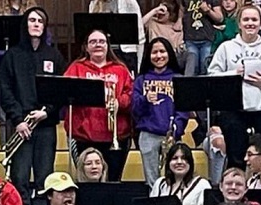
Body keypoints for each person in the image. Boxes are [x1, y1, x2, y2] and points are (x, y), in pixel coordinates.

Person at [0, 7, 66, 205]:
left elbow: (61, 89)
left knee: (44, 175)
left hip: (45, 125)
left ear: (44, 26)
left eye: (40, 21)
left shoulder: (54, 55)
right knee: (19, 175)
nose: (36, 24)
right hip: (22, 126)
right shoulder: (12, 55)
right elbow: (6, 90)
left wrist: (47, 112)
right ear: (25, 24)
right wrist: (18, 120)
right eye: (32, 20)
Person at [208, 4, 261, 170]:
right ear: (239, 23)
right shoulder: (226, 48)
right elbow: (212, 78)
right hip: (234, 110)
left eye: (254, 19)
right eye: (246, 19)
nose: (250, 23)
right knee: (236, 157)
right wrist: (233, 74)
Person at [64, 29, 134, 182]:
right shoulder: (76, 68)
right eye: (93, 42)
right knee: (86, 181)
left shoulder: (121, 69)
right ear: (86, 47)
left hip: (116, 136)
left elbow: (131, 95)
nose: (98, 45)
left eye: (102, 42)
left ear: (108, 46)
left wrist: (119, 102)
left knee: (113, 180)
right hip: (84, 136)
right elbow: (64, 92)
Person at [132, 37, 189, 187]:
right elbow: (135, 110)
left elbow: (183, 108)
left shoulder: (178, 79)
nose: (158, 56)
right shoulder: (141, 80)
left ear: (169, 53)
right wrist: (145, 99)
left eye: (162, 51)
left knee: (174, 176)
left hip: (171, 135)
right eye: (154, 52)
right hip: (148, 134)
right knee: (152, 180)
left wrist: (176, 129)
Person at [89, 1, 145, 72]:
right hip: (103, 53)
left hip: (125, 54)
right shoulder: (94, 3)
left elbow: (140, 37)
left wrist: (138, 66)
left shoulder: (129, 2)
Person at [144, 0, 186, 69]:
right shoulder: (153, 22)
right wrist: (154, 11)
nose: (159, 15)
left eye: (162, 13)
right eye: (158, 13)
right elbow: (139, 24)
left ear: (170, 14)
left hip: (174, 57)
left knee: (191, 55)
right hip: (156, 55)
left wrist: (179, 18)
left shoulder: (176, 26)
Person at [182, 0, 220, 76]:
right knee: (192, 70)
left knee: (205, 69)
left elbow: (219, 18)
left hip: (207, 39)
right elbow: (180, 15)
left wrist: (208, 10)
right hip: (189, 39)